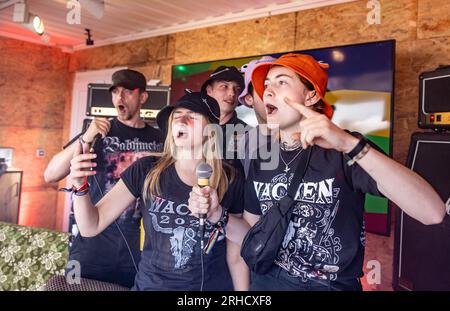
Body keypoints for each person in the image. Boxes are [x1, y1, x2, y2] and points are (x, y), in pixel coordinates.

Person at [243, 53, 446, 291]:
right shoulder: (262, 156)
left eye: (281, 81)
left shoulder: (345, 148)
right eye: (266, 85)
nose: (267, 91)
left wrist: (350, 145)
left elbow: (432, 212)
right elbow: (252, 228)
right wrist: (217, 216)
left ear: (311, 96)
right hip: (267, 283)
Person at [68, 91, 250, 291]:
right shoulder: (148, 169)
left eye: (193, 116)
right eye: (177, 115)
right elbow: (90, 225)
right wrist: (80, 185)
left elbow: (240, 251)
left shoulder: (230, 178)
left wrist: (217, 214)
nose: (182, 120)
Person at [44, 69, 164, 288]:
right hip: (91, 243)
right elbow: (50, 174)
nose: (120, 97)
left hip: (138, 247)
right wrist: (86, 137)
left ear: (143, 97)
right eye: (116, 92)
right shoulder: (96, 133)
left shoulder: (159, 139)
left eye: (128, 92)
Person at [201, 66, 248, 166]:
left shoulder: (248, 134)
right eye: (224, 86)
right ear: (209, 90)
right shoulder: (194, 128)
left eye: (237, 89)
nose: (232, 93)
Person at [237, 56, 276, 177]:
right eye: (264, 87)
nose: (272, 93)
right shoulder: (245, 141)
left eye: (281, 84)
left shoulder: (307, 137)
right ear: (249, 99)